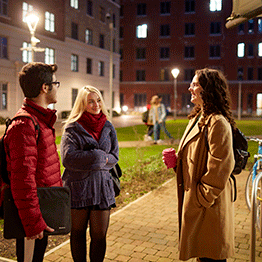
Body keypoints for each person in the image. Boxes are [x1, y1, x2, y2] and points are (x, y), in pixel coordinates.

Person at [162, 68, 235, 261]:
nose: (190, 88)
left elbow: (221, 166)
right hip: (198, 203)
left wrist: (202, 198)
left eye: (195, 84)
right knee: (202, 255)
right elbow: (195, 158)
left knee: (211, 256)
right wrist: (176, 163)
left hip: (209, 207)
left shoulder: (217, 123)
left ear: (208, 89)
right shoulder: (197, 119)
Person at [4, 62, 62, 262]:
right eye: (55, 83)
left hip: (41, 210)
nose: (57, 87)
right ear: (45, 88)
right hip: (33, 216)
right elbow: (22, 180)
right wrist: (33, 222)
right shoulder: (25, 125)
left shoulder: (40, 121)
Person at [60, 86, 119, 262]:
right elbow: (68, 158)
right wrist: (97, 157)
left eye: (98, 100)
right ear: (82, 104)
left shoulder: (108, 126)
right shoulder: (72, 128)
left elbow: (114, 156)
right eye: (91, 101)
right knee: (78, 233)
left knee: (99, 235)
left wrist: (97, 160)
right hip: (79, 188)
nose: (96, 105)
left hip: (103, 188)